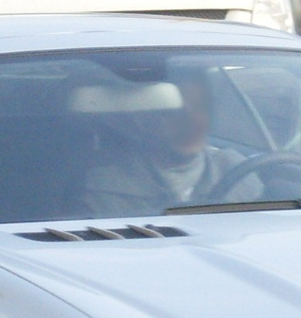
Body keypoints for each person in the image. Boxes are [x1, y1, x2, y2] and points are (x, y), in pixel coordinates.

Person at [77, 71, 260, 217]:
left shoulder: (237, 170)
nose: (191, 120)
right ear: (144, 120)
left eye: (199, 107)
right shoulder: (107, 188)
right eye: (175, 110)